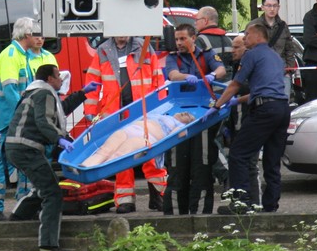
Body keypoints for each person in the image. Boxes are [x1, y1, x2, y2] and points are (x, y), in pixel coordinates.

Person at [4, 64, 89, 251]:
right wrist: (59, 139)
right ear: (50, 79)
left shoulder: (37, 92)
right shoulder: (44, 93)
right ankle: (48, 246)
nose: (61, 79)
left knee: (43, 185)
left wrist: (83, 94)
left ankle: (18, 218)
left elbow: (59, 110)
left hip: (18, 148)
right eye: (58, 76)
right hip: (26, 148)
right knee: (53, 193)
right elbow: (43, 121)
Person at [213, 22, 291, 215]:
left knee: (238, 153)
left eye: (247, 34)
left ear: (258, 36)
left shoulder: (251, 55)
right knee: (272, 161)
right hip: (282, 108)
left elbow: (235, 85)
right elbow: (263, 89)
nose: (245, 38)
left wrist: (217, 105)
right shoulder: (275, 56)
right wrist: (236, 101)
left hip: (264, 111)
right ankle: (270, 206)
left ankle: (242, 203)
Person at [84, 36, 167, 213]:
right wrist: (90, 110)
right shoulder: (103, 50)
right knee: (121, 157)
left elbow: (157, 77)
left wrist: (159, 106)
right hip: (116, 114)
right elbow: (93, 82)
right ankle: (125, 199)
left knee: (151, 152)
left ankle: (159, 194)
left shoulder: (143, 47)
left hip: (143, 111)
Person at [0, 18, 56, 222]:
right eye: (35, 33)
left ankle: (22, 205)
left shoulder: (22, 55)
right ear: (27, 35)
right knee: (6, 163)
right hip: (10, 119)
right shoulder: (10, 55)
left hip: (18, 118)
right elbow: (10, 91)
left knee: (25, 161)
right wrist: (26, 113)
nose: (39, 37)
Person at [163, 23, 226, 215]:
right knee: (177, 168)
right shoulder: (172, 57)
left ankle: (200, 214)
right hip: (179, 118)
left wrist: (212, 75)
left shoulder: (206, 54)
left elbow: (221, 69)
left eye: (183, 39)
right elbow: (173, 74)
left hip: (203, 116)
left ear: (193, 38)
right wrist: (186, 76)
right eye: (177, 39)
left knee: (202, 166)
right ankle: (176, 216)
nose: (179, 43)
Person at [81, 112, 195, 167]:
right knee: (104, 150)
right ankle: (85, 167)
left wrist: (185, 126)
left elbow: (177, 135)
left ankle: (99, 170)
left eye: (188, 116)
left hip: (145, 137)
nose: (185, 113)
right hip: (129, 129)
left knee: (119, 155)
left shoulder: (179, 126)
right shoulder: (160, 114)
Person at [249, 0, 299, 97]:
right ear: (262, 7)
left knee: (283, 102)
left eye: (275, 6)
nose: (272, 9)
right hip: (261, 73)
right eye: (268, 5)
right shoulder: (254, 26)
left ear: (278, 7)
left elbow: (289, 49)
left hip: (282, 73)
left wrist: (289, 70)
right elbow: (248, 49)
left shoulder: (283, 26)